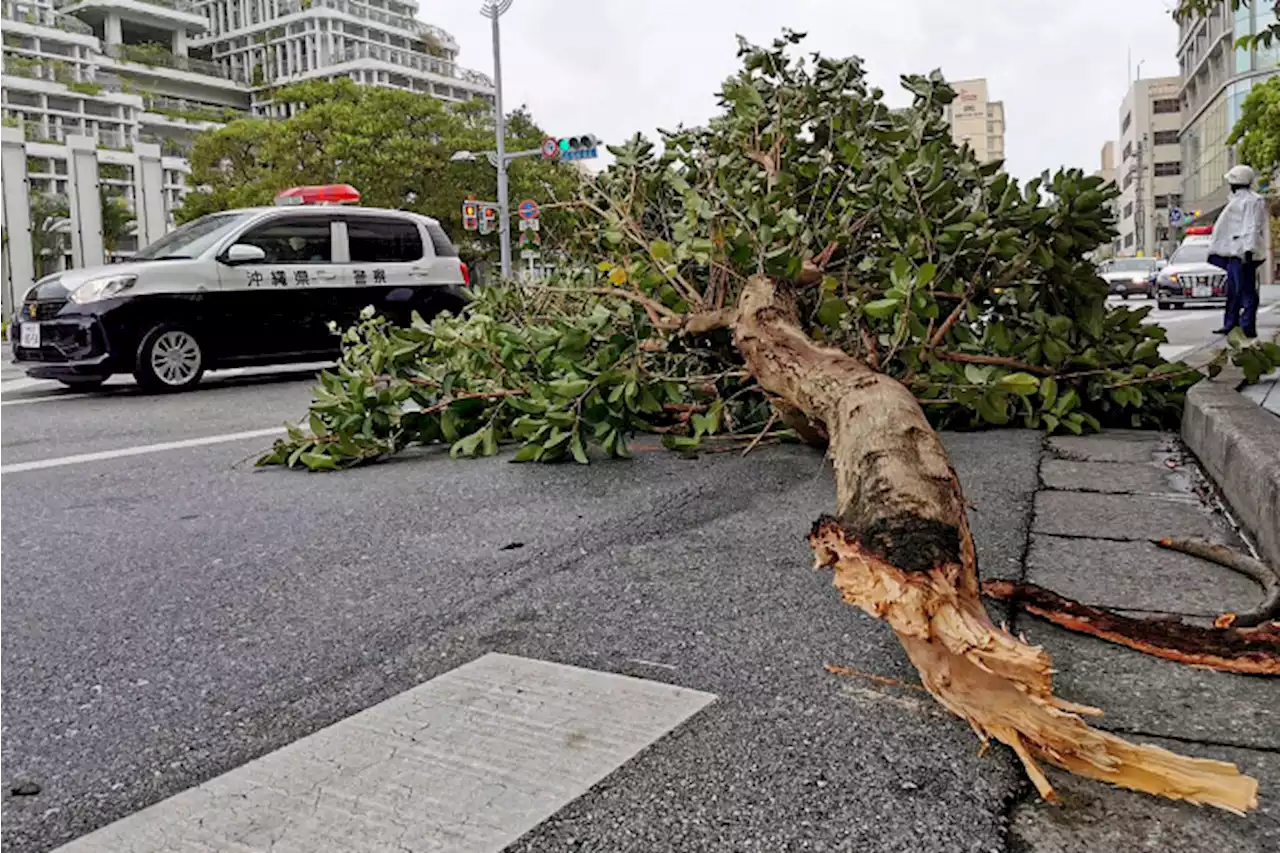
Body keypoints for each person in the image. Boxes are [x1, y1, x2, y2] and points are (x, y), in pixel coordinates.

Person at [1207, 164, 1269, 338]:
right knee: (1234, 291)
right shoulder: (1237, 200)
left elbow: (1252, 226)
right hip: (1235, 252)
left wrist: (1248, 249)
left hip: (1243, 253)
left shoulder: (1252, 200)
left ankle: (1246, 325)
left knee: (1246, 290)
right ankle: (1231, 324)